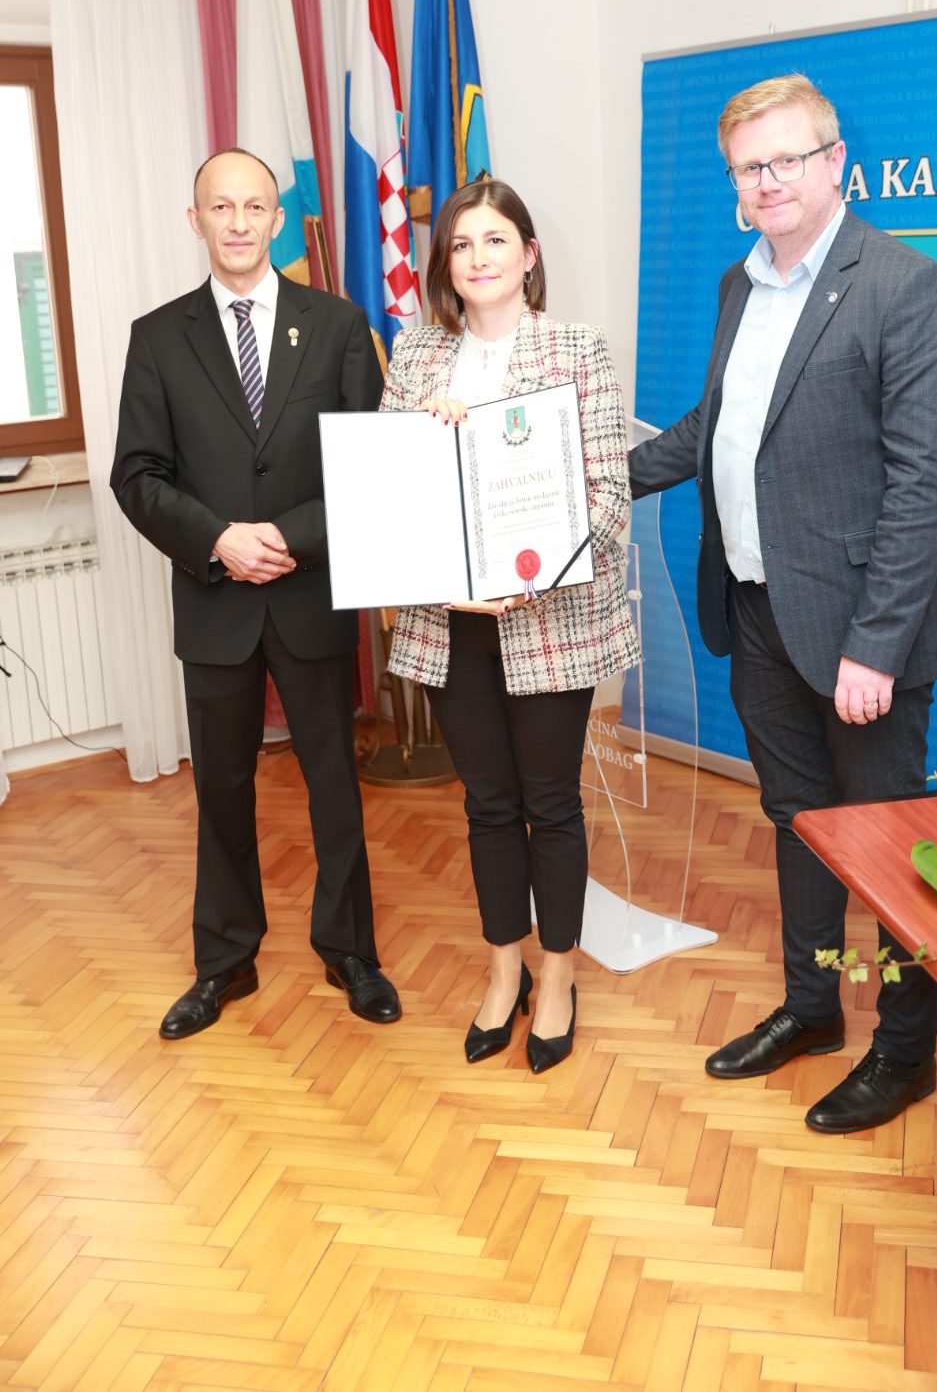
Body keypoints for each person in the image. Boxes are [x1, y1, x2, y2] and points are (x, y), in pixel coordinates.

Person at [629, 74, 937, 1133]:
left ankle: (905, 1054)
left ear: (835, 163)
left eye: (786, 159)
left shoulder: (905, 286)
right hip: (759, 612)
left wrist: (876, 648)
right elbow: (720, 425)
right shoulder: (741, 287)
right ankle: (813, 1009)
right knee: (798, 821)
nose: (766, 181)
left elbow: (926, 485)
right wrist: (600, 473)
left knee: (890, 843)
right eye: (748, 167)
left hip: (864, 633)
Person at [111, 147, 401, 1039]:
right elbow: (137, 475)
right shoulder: (158, 337)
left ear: (278, 219)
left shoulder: (340, 325)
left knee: (334, 788)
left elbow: (371, 463)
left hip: (311, 595)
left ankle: (350, 951)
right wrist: (219, 540)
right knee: (223, 791)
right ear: (194, 219)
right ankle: (224, 961)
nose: (238, 222)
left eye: (253, 207)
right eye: (220, 206)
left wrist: (286, 539)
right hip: (215, 603)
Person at [381, 178, 639, 1071]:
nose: (478, 258)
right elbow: (391, 492)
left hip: (549, 619)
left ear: (529, 255)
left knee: (550, 803)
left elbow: (608, 499)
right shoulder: (417, 355)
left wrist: (529, 578)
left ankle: (557, 977)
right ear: (444, 263)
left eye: (495, 240)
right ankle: (505, 971)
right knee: (487, 804)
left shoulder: (576, 348)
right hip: (446, 623)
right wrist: (427, 435)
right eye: (461, 244)